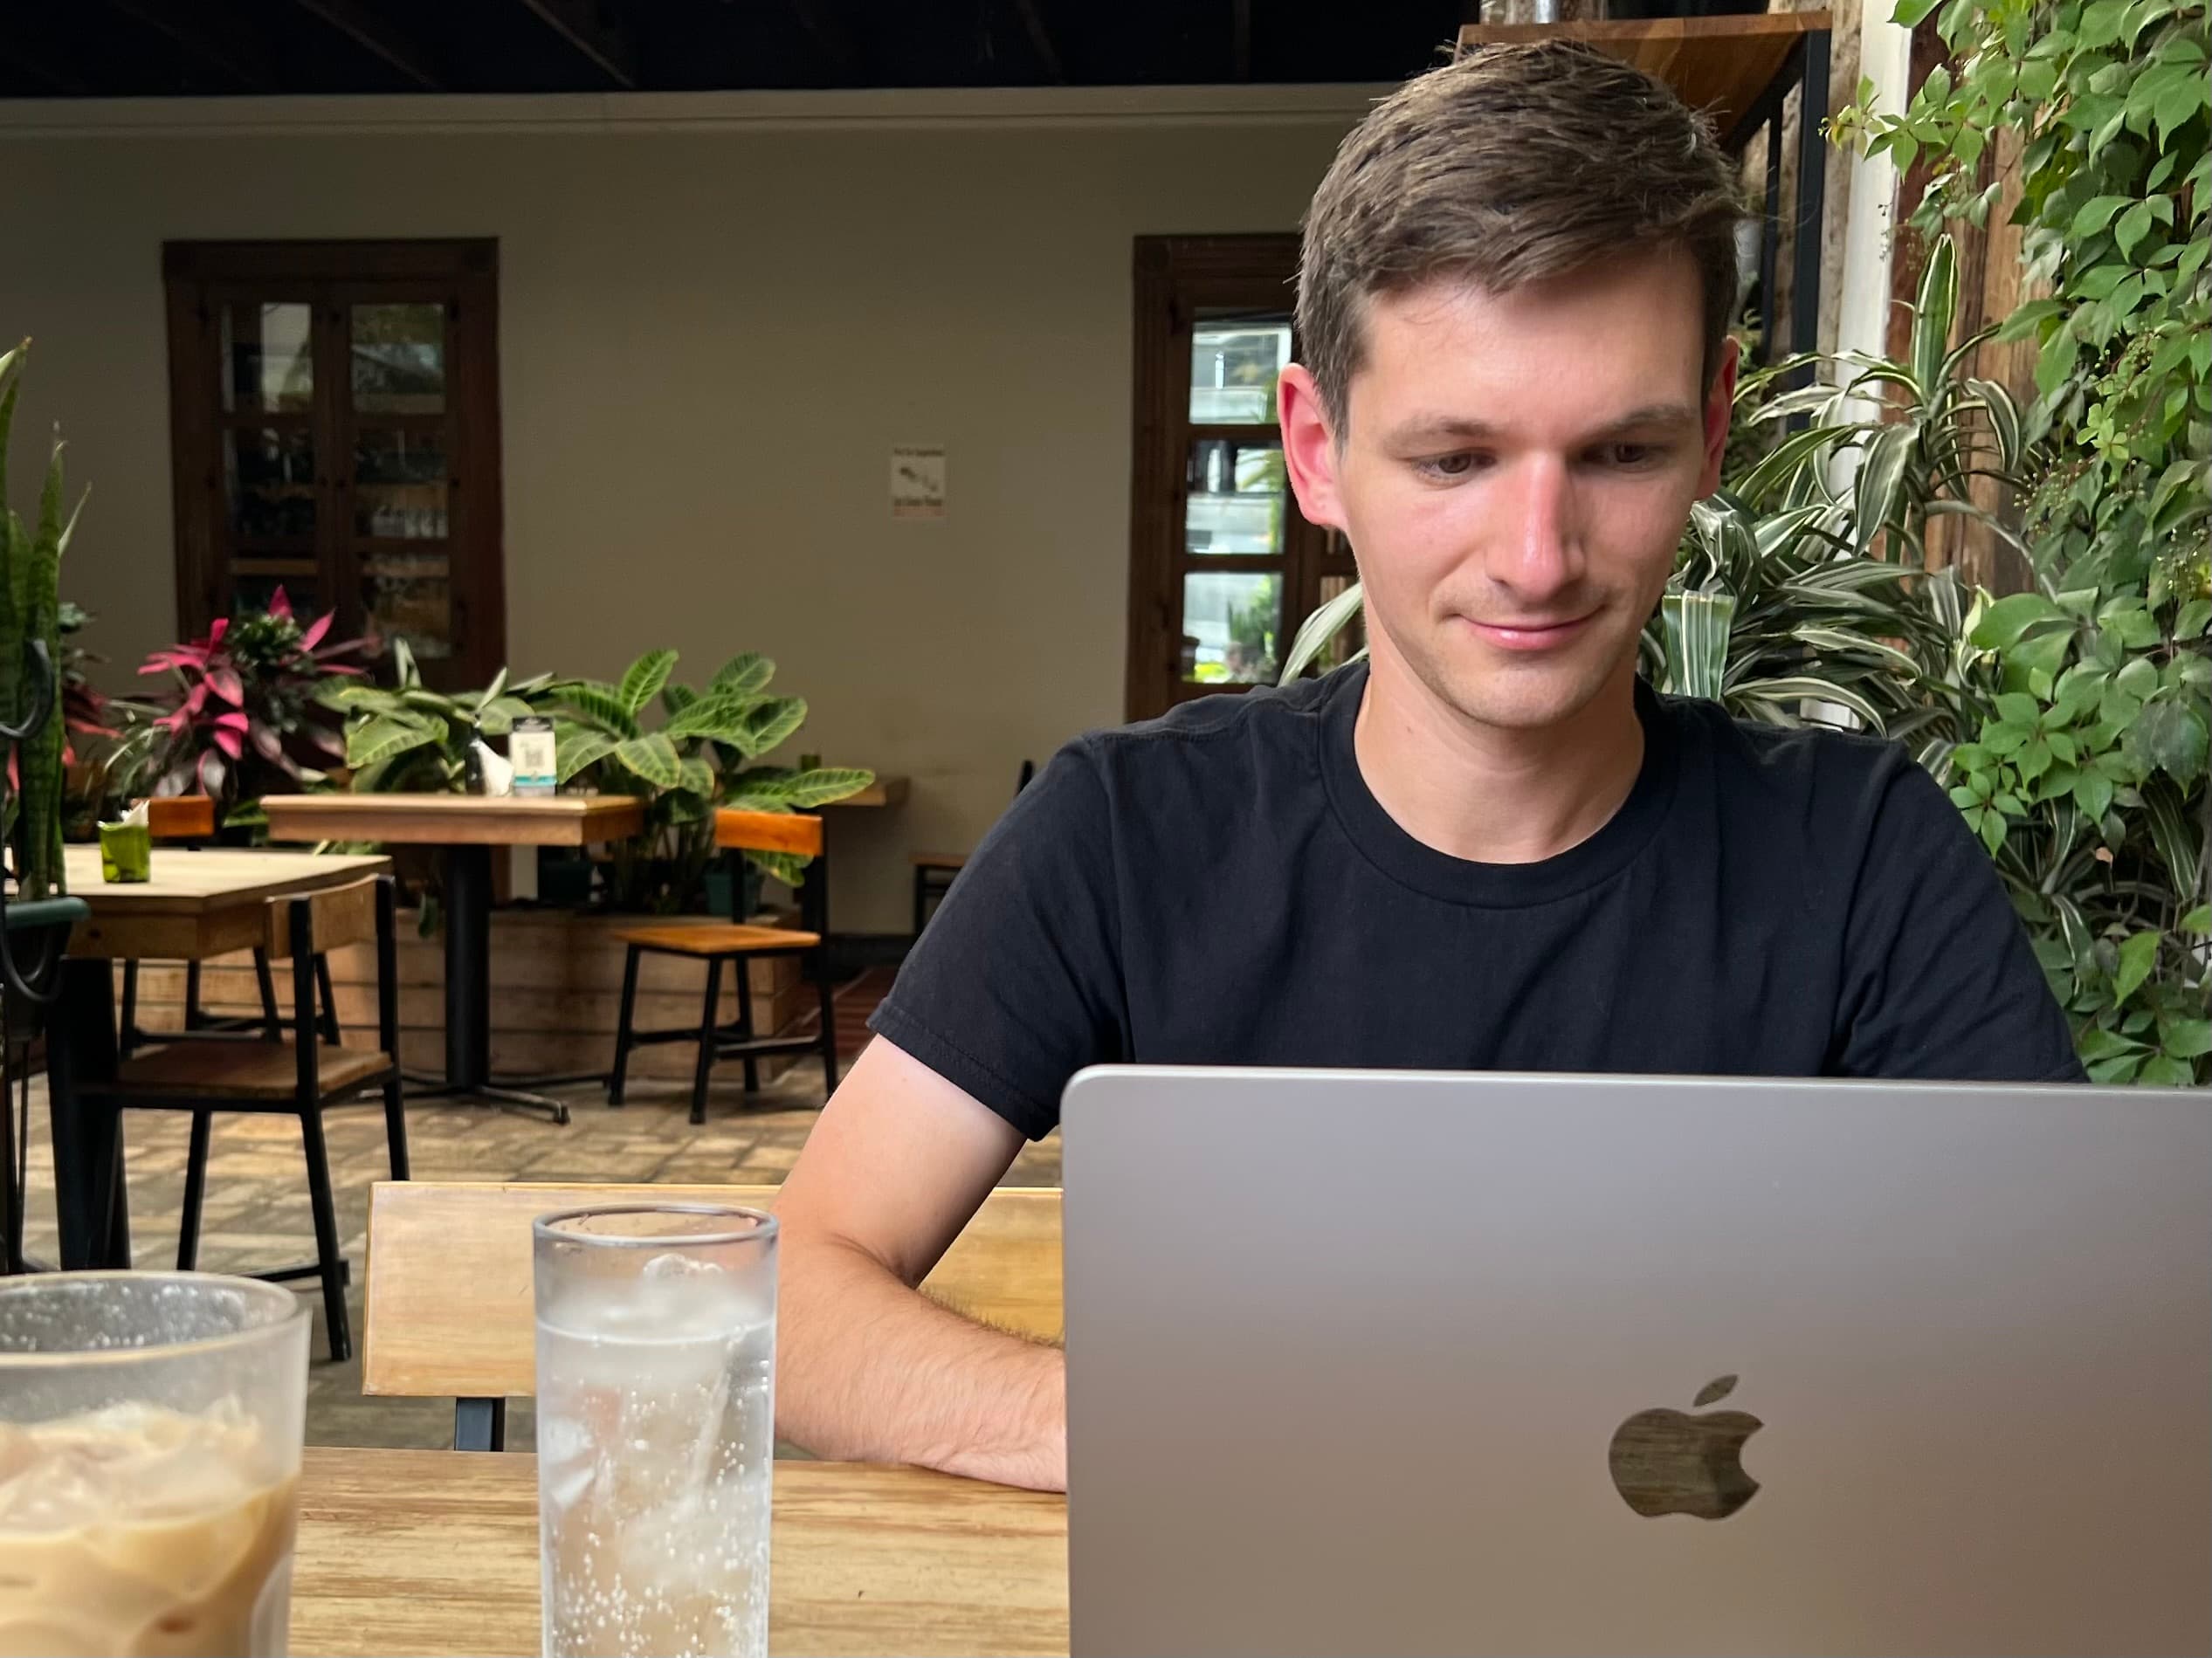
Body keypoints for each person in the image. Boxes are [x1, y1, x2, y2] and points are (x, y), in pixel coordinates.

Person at [770, 41, 2081, 1495]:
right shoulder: (1125, 834)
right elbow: (795, 1300)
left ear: (1711, 429)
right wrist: (1183, 1438)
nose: (1535, 559)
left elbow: (2064, 1355)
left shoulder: (1863, 859)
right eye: (1454, 459)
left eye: (1618, 453)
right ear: (1315, 451)